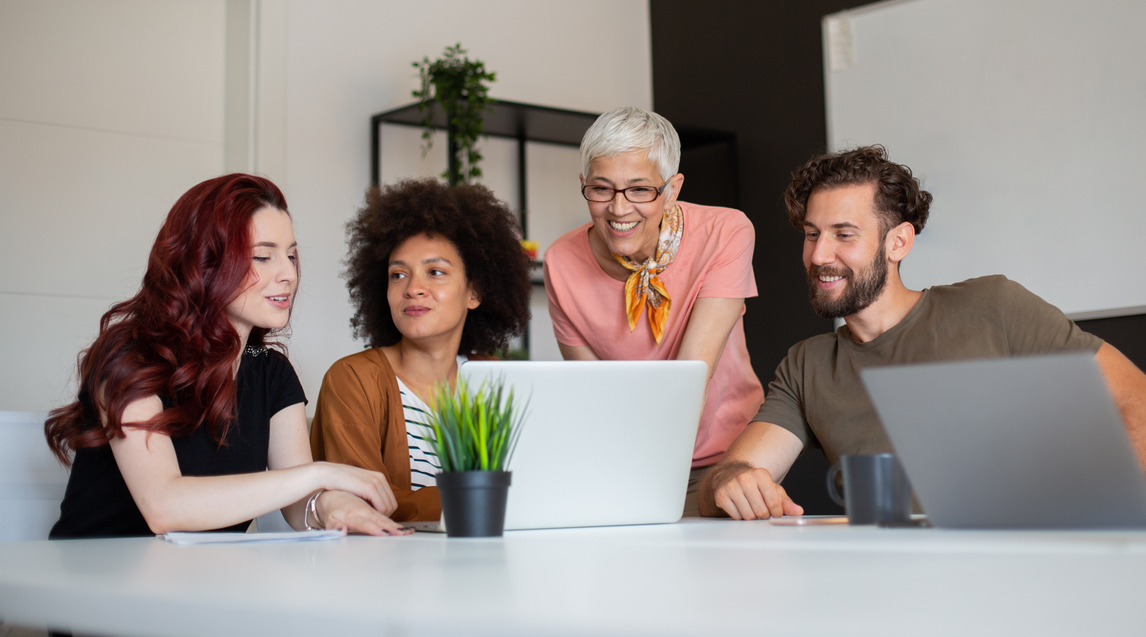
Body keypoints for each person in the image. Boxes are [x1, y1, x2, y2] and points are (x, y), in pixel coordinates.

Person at [700, 146, 1146, 519]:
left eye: (844, 235)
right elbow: (732, 474)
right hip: (897, 593)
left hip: (1022, 576)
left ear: (898, 242)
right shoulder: (808, 365)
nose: (820, 254)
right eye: (811, 234)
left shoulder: (994, 306)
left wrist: (1097, 531)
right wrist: (732, 481)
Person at [45, 174, 405, 538]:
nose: (288, 274)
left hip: (198, 581)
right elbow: (164, 507)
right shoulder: (129, 357)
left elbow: (299, 503)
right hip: (96, 580)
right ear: (205, 263)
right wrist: (321, 473)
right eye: (263, 257)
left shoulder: (269, 371)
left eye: (291, 255)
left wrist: (332, 506)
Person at [543, 107, 763, 515]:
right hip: (628, 458)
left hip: (728, 457)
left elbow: (690, 380)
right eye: (601, 189)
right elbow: (592, 394)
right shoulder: (560, 261)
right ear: (584, 185)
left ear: (672, 189)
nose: (619, 209)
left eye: (640, 190)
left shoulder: (726, 232)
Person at [310, 178, 532, 522]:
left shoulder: (495, 380)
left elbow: (536, 485)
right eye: (398, 275)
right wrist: (480, 500)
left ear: (474, 293)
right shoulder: (353, 379)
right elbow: (361, 503)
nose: (413, 288)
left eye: (435, 272)